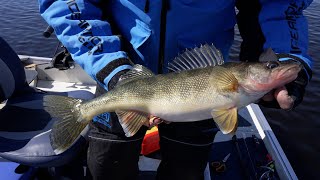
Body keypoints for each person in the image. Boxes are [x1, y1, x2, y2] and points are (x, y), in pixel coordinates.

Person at [38, 0, 313, 179]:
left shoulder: (236, 80)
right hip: (118, 71)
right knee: (108, 164)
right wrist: (114, 71)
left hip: (199, 89)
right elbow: (69, 4)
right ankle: (82, 112)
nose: (270, 69)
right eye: (269, 68)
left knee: (186, 170)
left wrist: (286, 56)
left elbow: (280, 5)